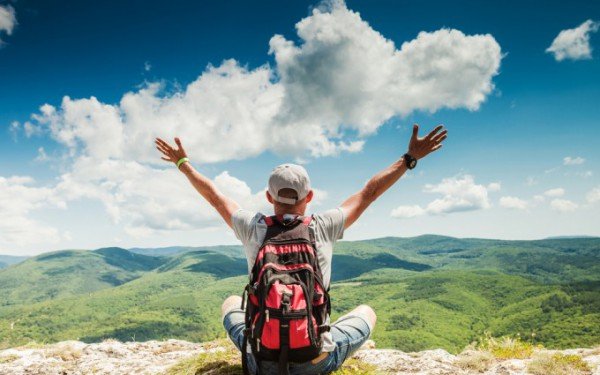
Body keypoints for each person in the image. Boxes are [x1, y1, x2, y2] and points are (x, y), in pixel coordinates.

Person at [155, 123, 447, 374]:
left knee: (232, 302)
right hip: (315, 361)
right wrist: (409, 158)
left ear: (269, 196)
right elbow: (368, 193)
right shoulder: (323, 225)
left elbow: (216, 197)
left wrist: (183, 163)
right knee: (366, 311)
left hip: (262, 363)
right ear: (310, 196)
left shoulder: (252, 227)